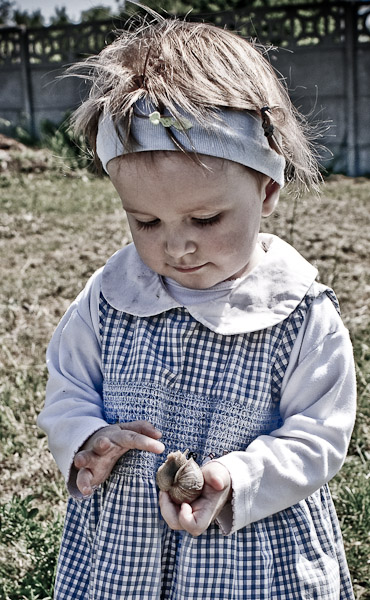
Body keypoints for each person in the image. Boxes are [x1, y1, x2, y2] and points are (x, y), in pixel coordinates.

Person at [37, 14, 357, 600]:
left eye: (205, 220)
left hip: (253, 555)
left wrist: (234, 478)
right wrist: (86, 437)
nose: (175, 244)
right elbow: (67, 389)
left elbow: (320, 435)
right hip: (125, 552)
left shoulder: (299, 313)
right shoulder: (110, 297)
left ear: (266, 190)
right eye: (145, 221)